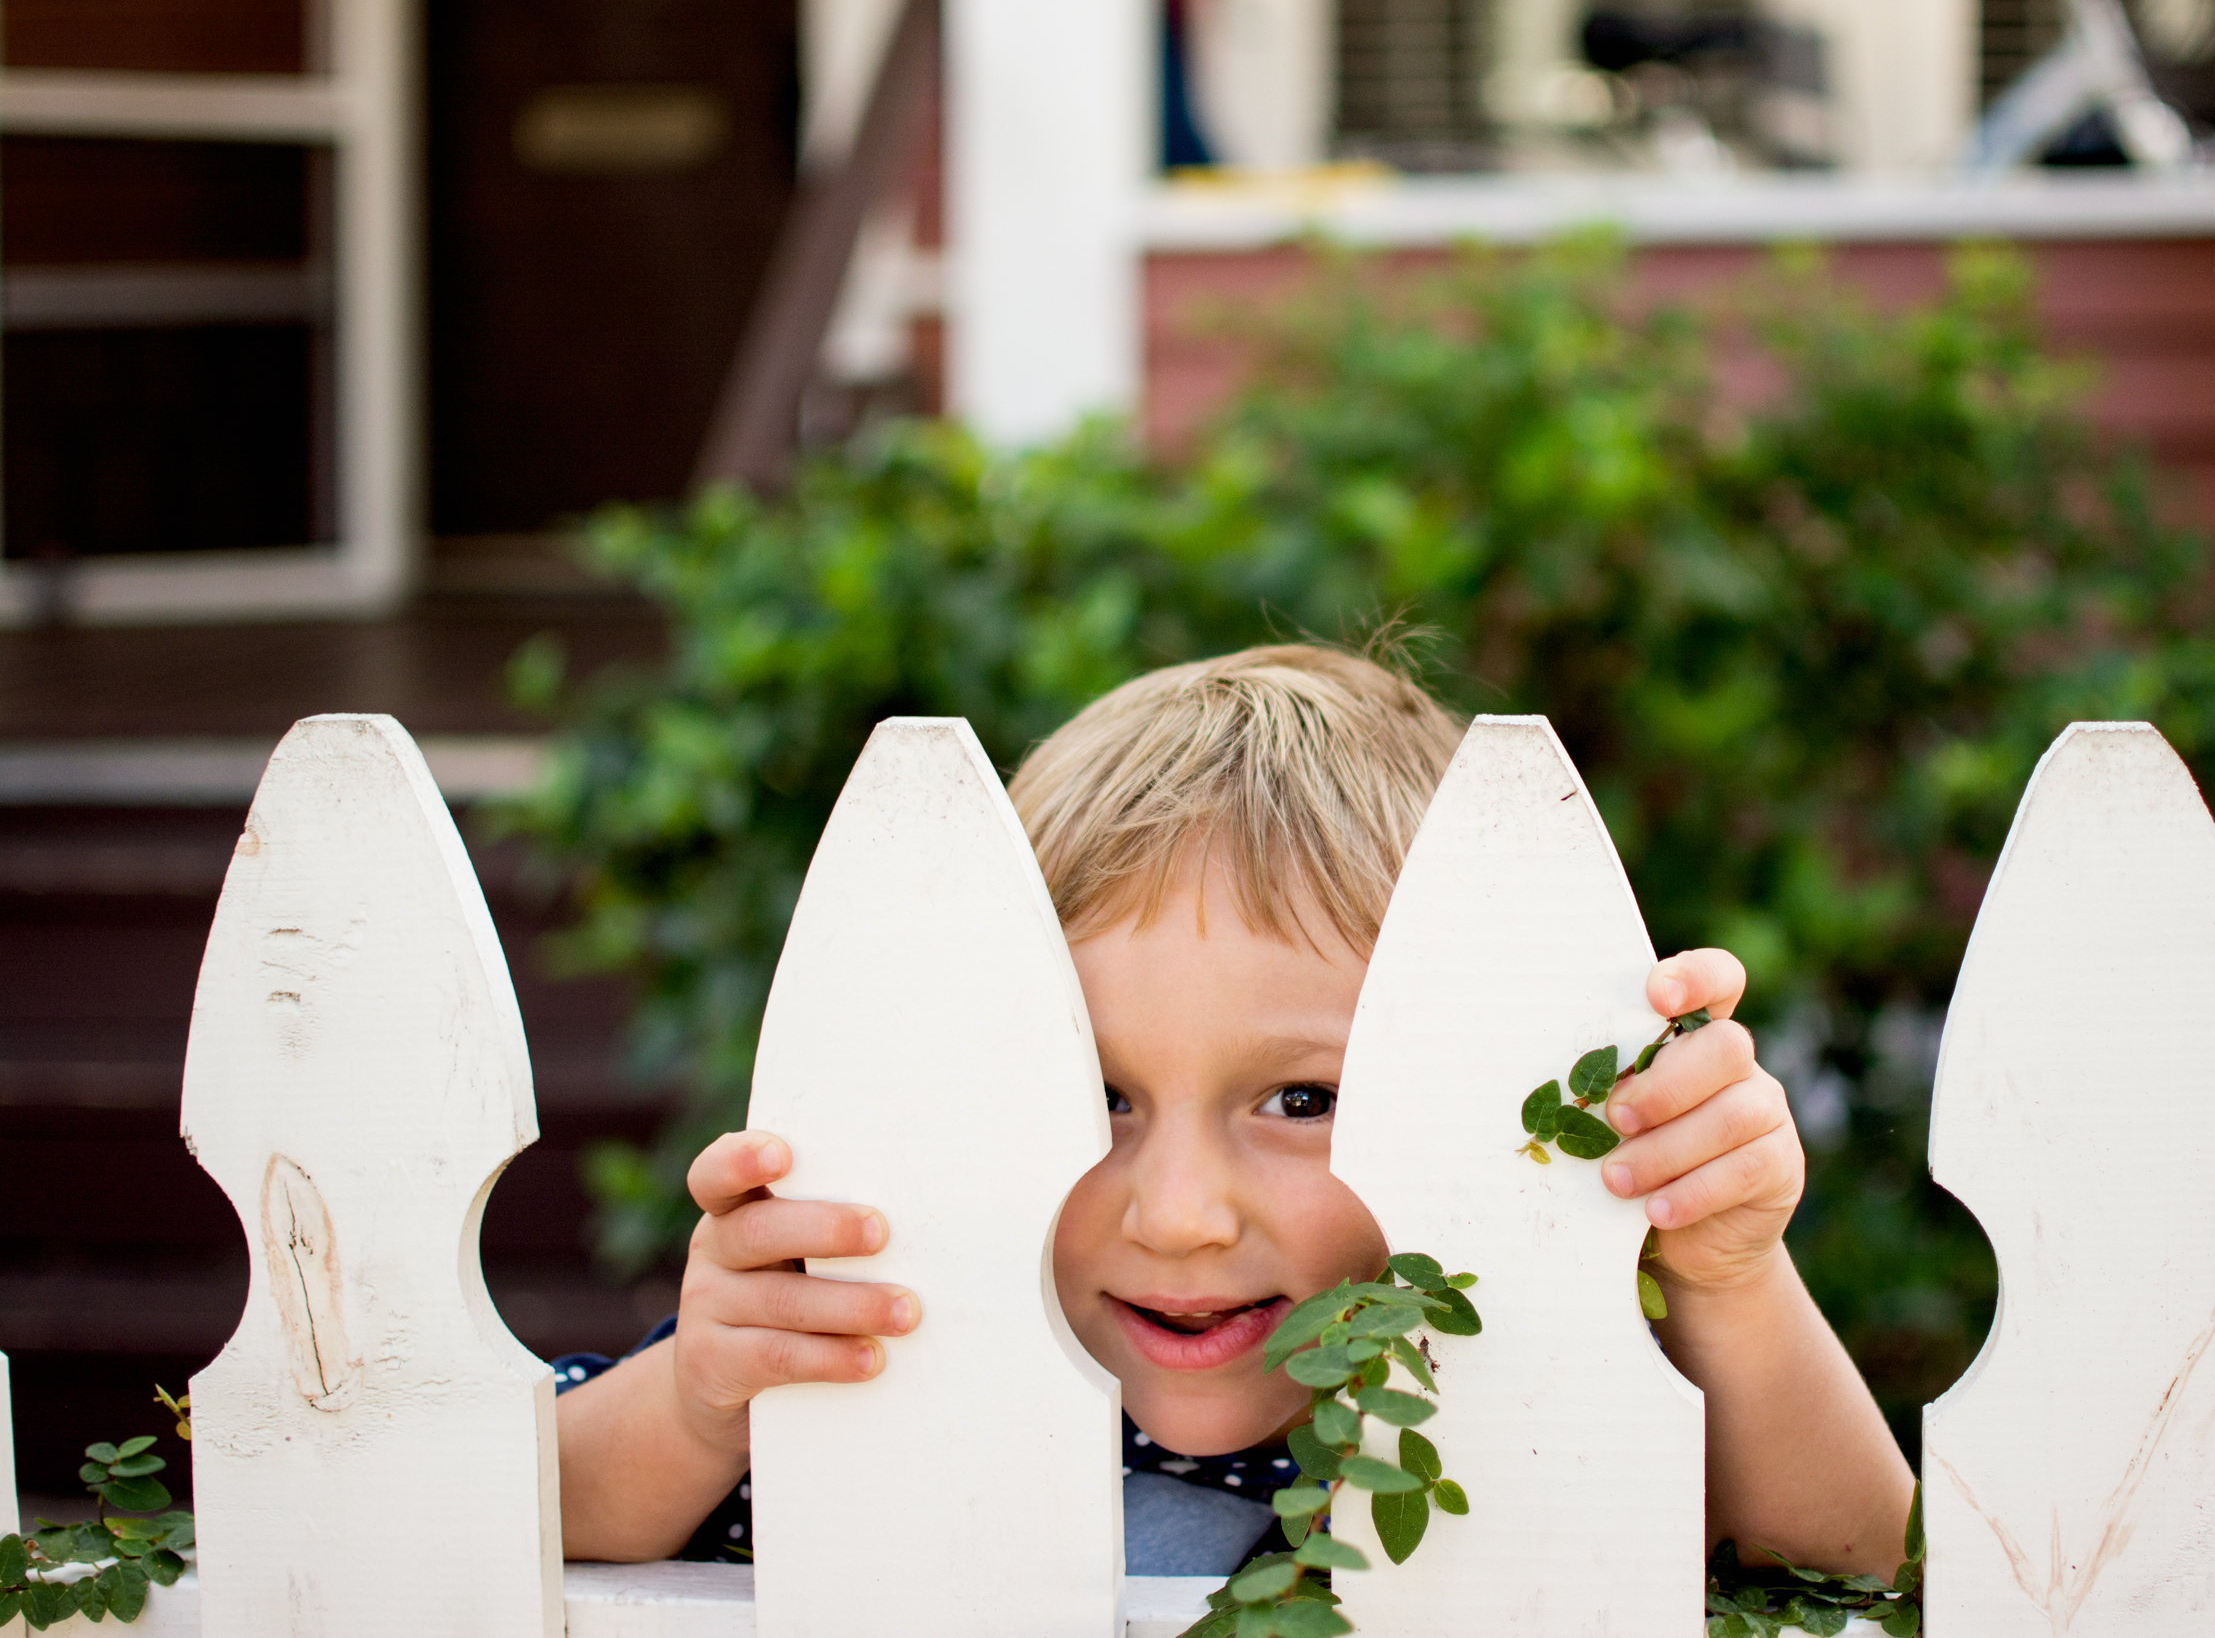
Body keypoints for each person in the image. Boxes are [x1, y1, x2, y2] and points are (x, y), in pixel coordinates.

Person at [551, 643, 1914, 1573]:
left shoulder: (1550, 1388)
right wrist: (693, 1403)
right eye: (1098, 1098)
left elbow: (1851, 1567)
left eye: (1301, 1098)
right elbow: (491, 1519)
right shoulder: (868, 1347)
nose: (1181, 1217)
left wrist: (1729, 1279)